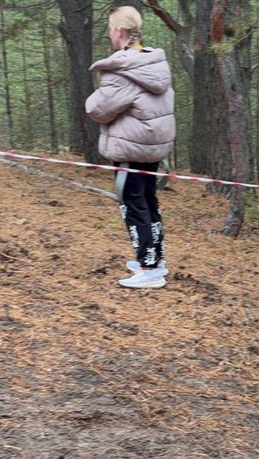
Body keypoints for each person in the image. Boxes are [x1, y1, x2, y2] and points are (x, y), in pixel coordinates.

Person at [85, 6, 175, 289]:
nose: (109, 35)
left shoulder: (122, 69)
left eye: (111, 29)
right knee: (148, 201)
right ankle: (154, 258)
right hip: (152, 147)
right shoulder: (154, 63)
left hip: (129, 149)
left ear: (120, 31)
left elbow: (98, 109)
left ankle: (149, 268)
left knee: (133, 205)